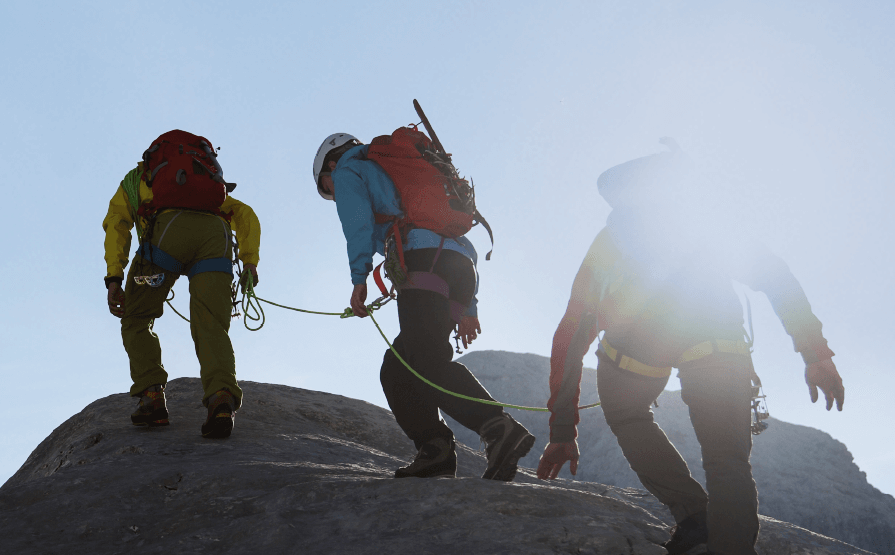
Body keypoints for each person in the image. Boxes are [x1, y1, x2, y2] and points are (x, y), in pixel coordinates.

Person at [533, 142, 847, 555]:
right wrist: (816, 355)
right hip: (720, 346)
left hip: (633, 358)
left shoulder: (611, 240)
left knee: (626, 414)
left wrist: (561, 432)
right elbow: (776, 277)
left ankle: (694, 517)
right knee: (727, 461)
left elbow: (573, 332)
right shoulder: (707, 224)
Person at [311, 132, 535, 480]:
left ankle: (496, 427)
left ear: (331, 163)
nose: (333, 192)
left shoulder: (348, 169)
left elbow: (357, 224)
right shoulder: (396, 165)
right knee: (398, 368)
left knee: (424, 360)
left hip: (423, 258)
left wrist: (359, 278)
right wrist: (468, 307)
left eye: (328, 187)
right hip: (459, 263)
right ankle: (436, 450)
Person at [103, 129, 260, 439]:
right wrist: (250, 259)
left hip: (164, 245)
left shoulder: (138, 179)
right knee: (211, 324)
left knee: (136, 318)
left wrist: (114, 277)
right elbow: (245, 215)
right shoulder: (208, 188)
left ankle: (151, 398)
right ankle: (221, 399)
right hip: (214, 238)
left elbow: (117, 225)